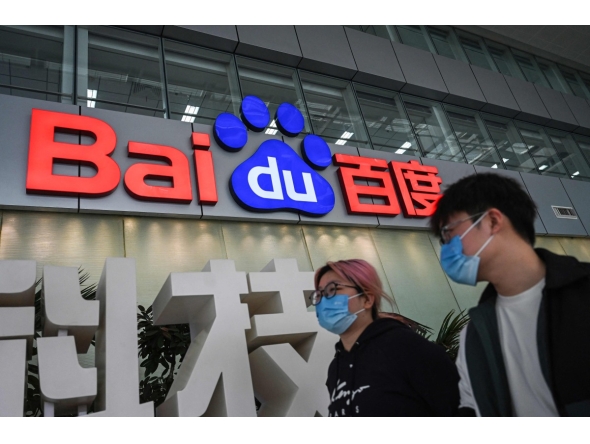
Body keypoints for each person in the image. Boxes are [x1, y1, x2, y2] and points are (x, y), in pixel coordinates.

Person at [431, 173, 590, 417]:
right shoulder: (474, 333)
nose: (447, 248)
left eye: (449, 233)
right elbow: (471, 408)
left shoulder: (582, 294)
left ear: (493, 221)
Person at [312, 258, 460, 416]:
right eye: (319, 295)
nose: (323, 301)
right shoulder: (336, 368)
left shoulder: (406, 348)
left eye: (333, 289)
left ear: (367, 299)